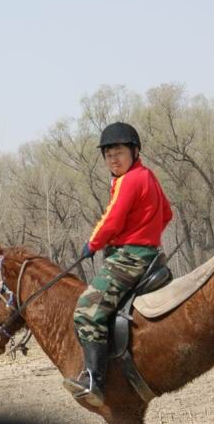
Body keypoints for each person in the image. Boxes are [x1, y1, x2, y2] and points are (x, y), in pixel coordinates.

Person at [62, 122, 172, 407]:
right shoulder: (147, 175)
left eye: (119, 152)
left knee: (87, 310)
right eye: (108, 154)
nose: (113, 158)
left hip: (129, 258)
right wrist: (149, 231)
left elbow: (111, 220)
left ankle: (94, 381)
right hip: (147, 253)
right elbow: (168, 213)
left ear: (134, 152)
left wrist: (92, 245)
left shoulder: (130, 180)